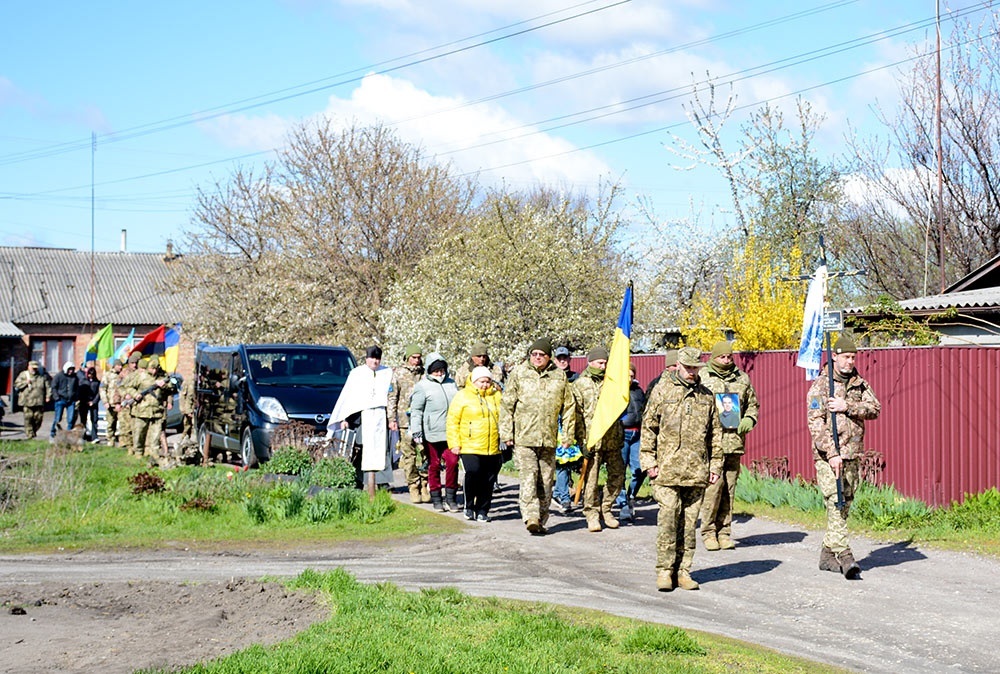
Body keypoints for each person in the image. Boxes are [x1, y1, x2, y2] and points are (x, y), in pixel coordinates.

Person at [640, 346, 722, 592]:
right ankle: (665, 571)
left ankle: (684, 571)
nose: (692, 372)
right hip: (666, 471)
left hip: (696, 471)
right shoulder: (662, 391)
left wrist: (715, 464)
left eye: (696, 368)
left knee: (688, 524)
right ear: (678, 365)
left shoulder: (706, 396)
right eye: (688, 367)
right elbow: (649, 428)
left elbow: (715, 434)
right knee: (668, 518)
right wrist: (648, 461)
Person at [807, 334, 880, 580]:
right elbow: (815, 424)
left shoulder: (859, 384)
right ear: (835, 356)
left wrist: (847, 406)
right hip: (829, 458)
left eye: (853, 357)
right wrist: (832, 454)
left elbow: (875, 408)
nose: (850, 361)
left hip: (852, 454)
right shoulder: (821, 386)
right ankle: (845, 555)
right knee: (835, 502)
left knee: (845, 503)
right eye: (846, 357)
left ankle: (827, 555)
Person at [500, 337, 576, 535]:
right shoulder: (519, 373)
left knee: (546, 481)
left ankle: (541, 519)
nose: (537, 357)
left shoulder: (559, 376)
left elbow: (568, 407)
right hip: (524, 437)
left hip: (548, 439)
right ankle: (530, 516)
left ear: (549, 357)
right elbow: (507, 405)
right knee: (529, 477)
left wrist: (568, 435)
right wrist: (506, 433)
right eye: (534, 354)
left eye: (541, 355)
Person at [699, 341, 760, 551]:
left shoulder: (742, 378)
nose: (726, 361)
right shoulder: (703, 377)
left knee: (729, 490)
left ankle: (724, 532)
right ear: (713, 357)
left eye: (729, 357)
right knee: (713, 489)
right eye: (722, 357)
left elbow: (752, 404)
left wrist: (750, 418)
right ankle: (708, 532)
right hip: (711, 444)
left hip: (734, 442)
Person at [573, 346, 626, 532]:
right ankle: (592, 513)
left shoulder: (612, 382)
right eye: (600, 363)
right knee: (591, 480)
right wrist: (581, 441)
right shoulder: (580, 384)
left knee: (618, 475)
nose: (603, 366)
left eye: (605, 363)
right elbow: (576, 415)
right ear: (590, 362)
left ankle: (607, 508)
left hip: (612, 439)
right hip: (592, 440)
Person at [327, 345, 394, 489]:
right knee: (360, 449)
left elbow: (391, 396)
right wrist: (344, 418)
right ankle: (358, 480)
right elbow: (347, 397)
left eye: (377, 358)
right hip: (361, 417)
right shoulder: (357, 374)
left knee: (381, 449)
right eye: (372, 358)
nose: (375, 361)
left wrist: (392, 418)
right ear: (366, 359)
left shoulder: (387, 373)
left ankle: (382, 482)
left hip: (380, 417)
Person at [446, 366, 503, 521]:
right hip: (470, 445)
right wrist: (454, 443)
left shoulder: (496, 396)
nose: (485, 385)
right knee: (473, 474)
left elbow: (504, 417)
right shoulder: (462, 396)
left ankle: (483, 510)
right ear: (474, 381)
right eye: (481, 381)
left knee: (489, 479)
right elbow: (453, 421)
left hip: (492, 446)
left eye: (487, 381)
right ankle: (469, 506)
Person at [410, 352, 459, 511]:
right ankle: (437, 498)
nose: (439, 373)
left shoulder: (452, 384)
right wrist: (416, 431)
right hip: (431, 433)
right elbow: (416, 410)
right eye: (436, 371)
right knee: (434, 465)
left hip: (451, 432)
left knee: (452, 462)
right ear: (430, 371)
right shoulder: (422, 386)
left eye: (442, 370)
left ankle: (451, 498)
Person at [387, 344, 426, 503]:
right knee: (409, 456)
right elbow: (392, 397)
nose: (416, 361)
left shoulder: (425, 373)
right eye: (413, 358)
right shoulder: (398, 373)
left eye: (418, 358)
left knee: (425, 454)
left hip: (423, 421)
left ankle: (425, 484)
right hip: (405, 422)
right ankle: (413, 486)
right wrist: (392, 419)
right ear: (408, 358)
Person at [130, 356, 177, 467]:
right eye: (152, 368)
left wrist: (164, 385)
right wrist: (134, 394)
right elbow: (128, 387)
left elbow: (172, 388)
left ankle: (154, 455)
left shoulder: (163, 377)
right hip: (142, 410)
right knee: (139, 434)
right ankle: (138, 454)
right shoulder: (140, 376)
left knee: (156, 435)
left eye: (156, 368)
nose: (154, 371)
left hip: (156, 411)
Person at [551, 345, 582, 512]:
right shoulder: (551, 377)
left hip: (573, 422)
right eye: (559, 358)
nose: (562, 361)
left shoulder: (577, 378)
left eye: (565, 358)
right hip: (556, 425)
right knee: (562, 461)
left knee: (570, 462)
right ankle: (563, 497)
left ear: (569, 359)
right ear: (555, 360)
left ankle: (559, 492)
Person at [615, 362, 646, 522]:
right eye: (627, 375)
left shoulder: (638, 391)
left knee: (640, 469)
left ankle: (631, 496)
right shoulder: (615, 391)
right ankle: (622, 504)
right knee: (620, 470)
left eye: (632, 376)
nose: (629, 378)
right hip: (622, 433)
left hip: (637, 434)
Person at [14, 360, 50, 439]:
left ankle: (34, 431)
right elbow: (17, 385)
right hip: (27, 400)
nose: (34, 369)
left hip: (39, 401)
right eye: (32, 368)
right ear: (29, 367)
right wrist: (25, 382)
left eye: (35, 368)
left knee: (38, 418)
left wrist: (48, 396)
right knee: (28, 418)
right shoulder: (23, 375)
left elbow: (48, 386)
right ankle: (30, 434)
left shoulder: (42, 376)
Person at [118, 352, 143, 451]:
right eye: (132, 363)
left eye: (136, 363)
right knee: (125, 426)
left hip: (137, 403)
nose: (134, 365)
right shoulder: (124, 373)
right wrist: (125, 395)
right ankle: (127, 445)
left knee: (136, 426)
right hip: (126, 403)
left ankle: (136, 446)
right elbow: (119, 387)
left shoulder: (140, 373)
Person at [50, 361, 79, 438]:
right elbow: (53, 387)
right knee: (57, 418)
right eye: (69, 369)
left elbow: (76, 388)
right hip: (60, 400)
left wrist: (75, 397)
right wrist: (56, 397)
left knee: (70, 419)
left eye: (72, 369)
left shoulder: (75, 377)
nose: (71, 371)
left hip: (71, 401)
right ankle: (53, 433)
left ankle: (68, 435)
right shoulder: (58, 376)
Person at [100, 358, 124, 446]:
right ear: (114, 366)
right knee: (111, 423)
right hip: (111, 404)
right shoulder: (108, 375)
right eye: (119, 365)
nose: (120, 367)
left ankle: (122, 441)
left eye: (121, 365)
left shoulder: (123, 375)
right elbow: (102, 389)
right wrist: (105, 401)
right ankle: (111, 440)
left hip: (122, 403)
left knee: (123, 423)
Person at [77, 366, 101, 442]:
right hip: (84, 402)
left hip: (93, 403)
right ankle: (83, 436)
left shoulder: (97, 382)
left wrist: (94, 402)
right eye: (89, 374)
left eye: (92, 374)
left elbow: (99, 393)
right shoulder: (83, 381)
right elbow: (80, 392)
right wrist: (84, 400)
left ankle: (94, 436)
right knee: (83, 420)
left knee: (94, 419)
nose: (91, 376)